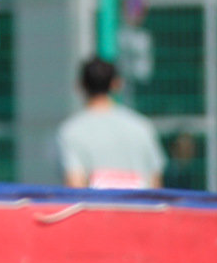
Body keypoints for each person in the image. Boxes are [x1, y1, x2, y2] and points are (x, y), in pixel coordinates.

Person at [57, 57, 164, 189]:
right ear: (117, 84)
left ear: (80, 86)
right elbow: (155, 184)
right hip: (139, 203)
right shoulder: (142, 126)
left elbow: (75, 185)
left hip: (96, 203)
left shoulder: (70, 132)